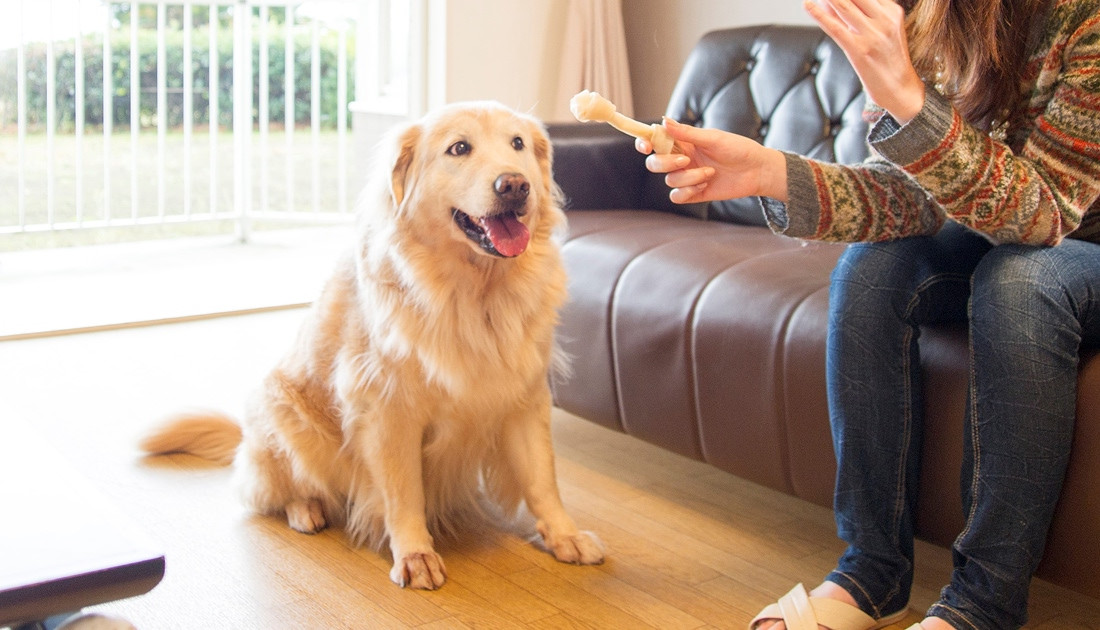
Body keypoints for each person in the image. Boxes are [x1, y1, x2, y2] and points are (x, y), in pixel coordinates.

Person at [636, 0, 1100, 629]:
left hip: (1075, 240)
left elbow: (1044, 214)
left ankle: (985, 603)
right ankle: (871, 572)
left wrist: (909, 99)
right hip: (1000, 230)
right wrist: (770, 172)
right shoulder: (932, 17)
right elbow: (912, 196)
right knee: (872, 267)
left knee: (1020, 282)